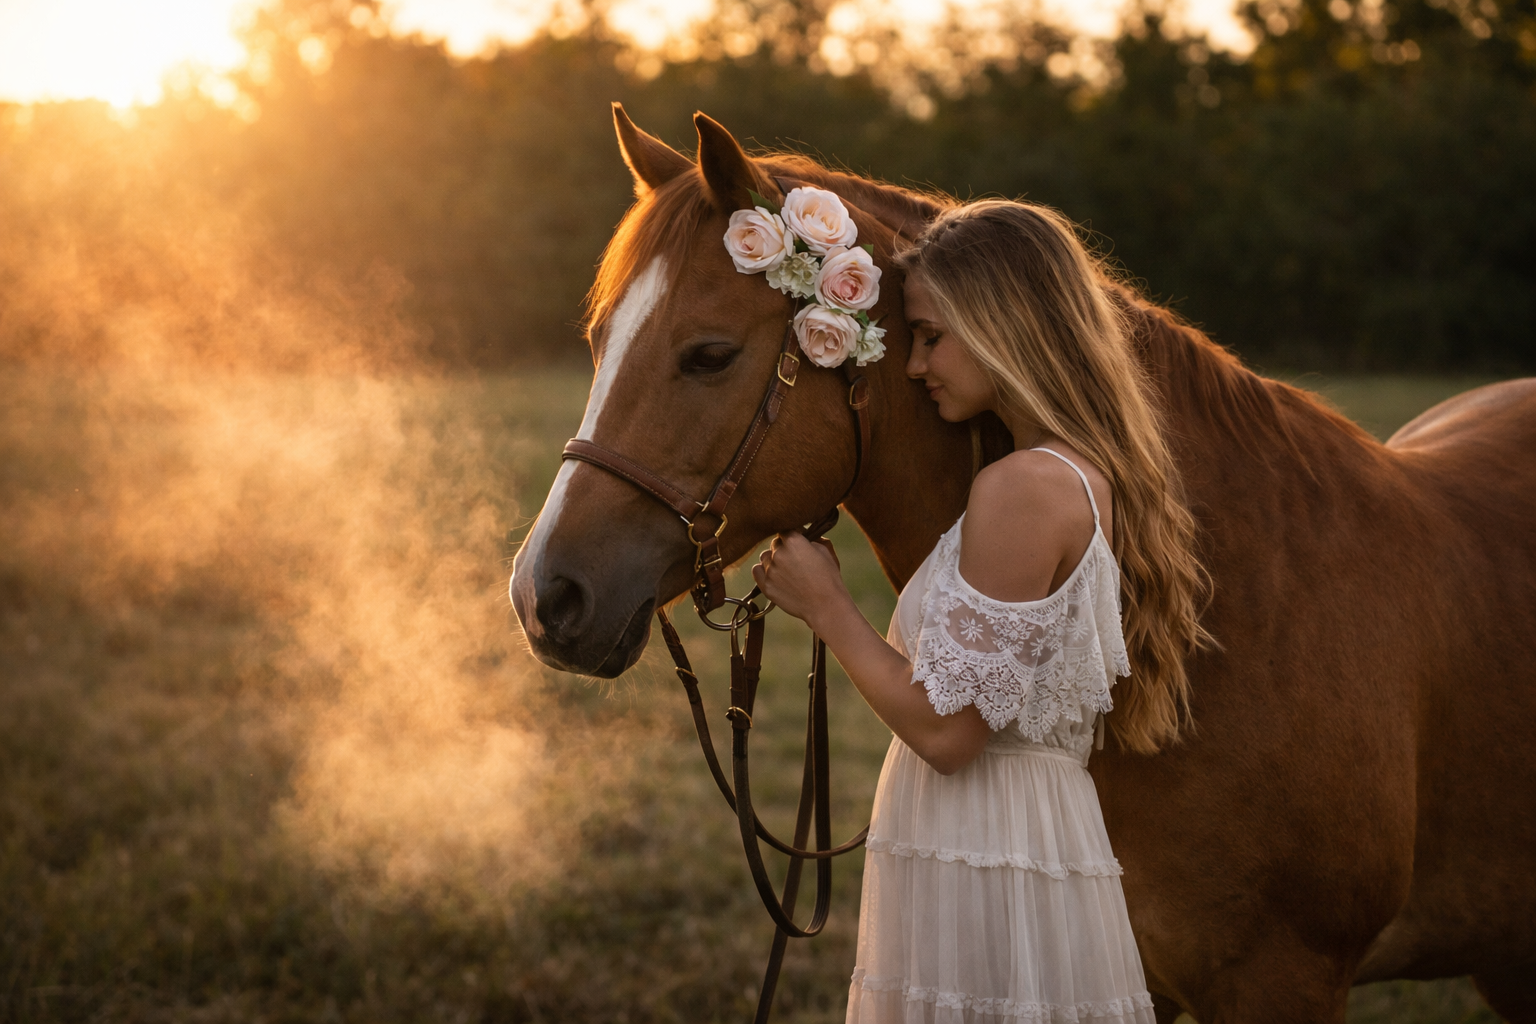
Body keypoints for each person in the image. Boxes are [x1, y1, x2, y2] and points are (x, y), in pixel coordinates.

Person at [752, 200, 1209, 1024]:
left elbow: (948, 732)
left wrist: (827, 605)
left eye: (931, 336)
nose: (915, 364)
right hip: (1010, 841)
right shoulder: (1066, 469)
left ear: (1007, 326)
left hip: (992, 851)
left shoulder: (1025, 488)